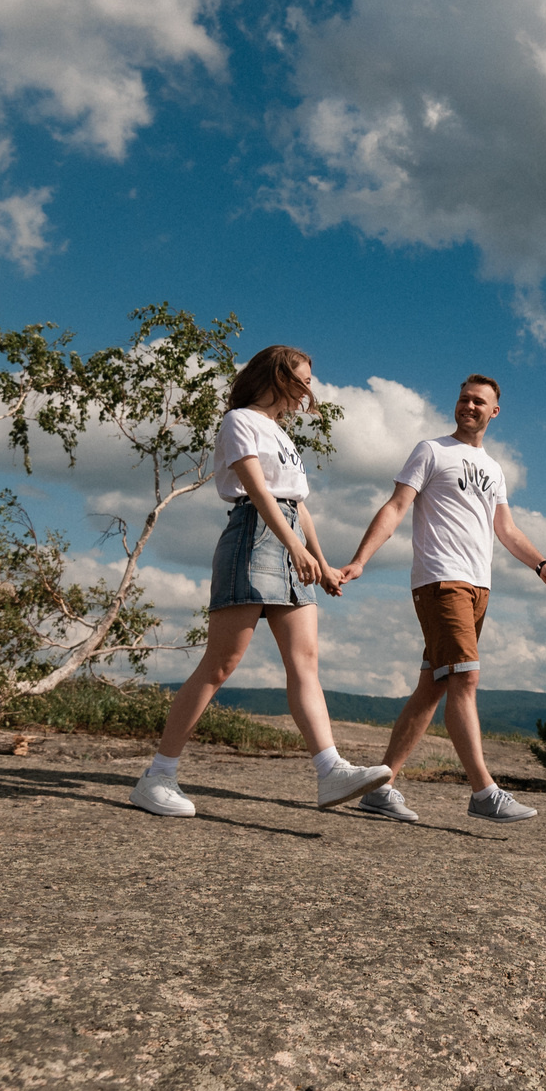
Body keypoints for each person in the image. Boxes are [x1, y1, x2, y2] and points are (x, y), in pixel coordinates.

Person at [129, 345, 395, 818]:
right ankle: (158, 775)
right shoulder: (240, 421)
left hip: (288, 537)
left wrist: (321, 559)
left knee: (305, 661)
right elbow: (256, 489)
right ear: (277, 375)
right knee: (222, 663)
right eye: (304, 379)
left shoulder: (282, 434)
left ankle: (330, 770)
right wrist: (292, 546)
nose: (309, 390)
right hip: (254, 535)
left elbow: (298, 504)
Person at [338, 373, 546, 823]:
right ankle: (484, 792)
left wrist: (541, 564)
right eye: (464, 399)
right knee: (466, 679)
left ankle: (380, 787)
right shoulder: (432, 450)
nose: (469, 406)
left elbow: (507, 530)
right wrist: (360, 559)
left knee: (433, 686)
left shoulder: (494, 470)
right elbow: (396, 506)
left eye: (479, 402)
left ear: (494, 412)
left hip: (479, 587)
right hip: (442, 581)